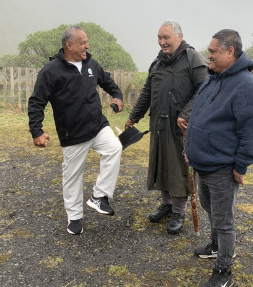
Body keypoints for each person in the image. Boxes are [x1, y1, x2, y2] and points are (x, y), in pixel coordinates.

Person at [185, 29, 253, 286]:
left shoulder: (247, 86)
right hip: (203, 162)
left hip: (222, 166)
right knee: (211, 209)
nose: (207, 55)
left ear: (230, 51)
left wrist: (241, 165)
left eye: (212, 52)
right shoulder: (213, 78)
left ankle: (224, 272)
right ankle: (215, 246)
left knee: (224, 218)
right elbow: (199, 115)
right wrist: (191, 147)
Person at [28, 25, 124, 235]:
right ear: (68, 45)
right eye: (82, 43)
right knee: (72, 176)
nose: (87, 46)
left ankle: (99, 196)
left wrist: (117, 97)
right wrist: (36, 131)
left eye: (87, 42)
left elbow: (108, 82)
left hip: (97, 125)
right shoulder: (51, 71)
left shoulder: (91, 64)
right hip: (72, 133)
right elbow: (36, 102)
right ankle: (74, 217)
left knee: (114, 148)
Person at [125, 21, 208, 234]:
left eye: (166, 38)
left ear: (179, 37)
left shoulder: (193, 59)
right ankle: (167, 205)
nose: (162, 42)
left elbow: (205, 88)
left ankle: (179, 211)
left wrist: (186, 114)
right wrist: (134, 117)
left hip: (181, 127)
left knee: (179, 167)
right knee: (161, 164)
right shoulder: (158, 62)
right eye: (159, 38)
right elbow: (147, 92)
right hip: (159, 124)